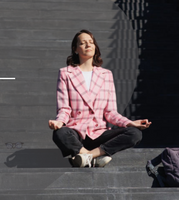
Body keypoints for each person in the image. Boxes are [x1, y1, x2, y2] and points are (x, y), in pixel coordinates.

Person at [48, 29, 151, 168]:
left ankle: (87, 156)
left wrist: (130, 123)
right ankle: (92, 156)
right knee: (60, 133)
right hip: (77, 132)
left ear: (95, 47)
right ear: (75, 49)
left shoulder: (106, 74)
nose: (88, 45)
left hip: (99, 133)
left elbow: (110, 112)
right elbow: (64, 108)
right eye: (83, 43)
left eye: (91, 42)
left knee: (135, 134)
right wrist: (59, 122)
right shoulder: (66, 73)